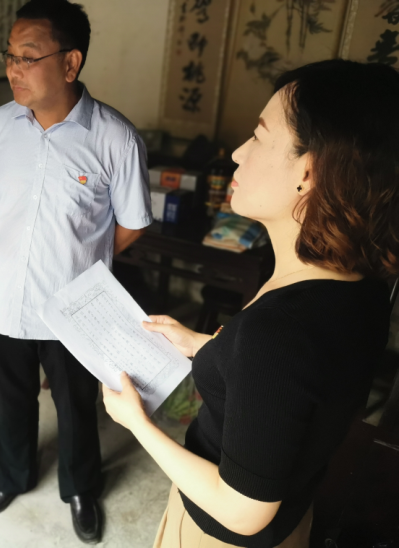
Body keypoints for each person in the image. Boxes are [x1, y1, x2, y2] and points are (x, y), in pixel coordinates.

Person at [102, 58, 399, 548]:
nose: (238, 153)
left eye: (259, 136)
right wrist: (205, 345)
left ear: (309, 171)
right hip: (293, 519)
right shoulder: (359, 286)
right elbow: (294, 389)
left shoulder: (280, 332)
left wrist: (136, 422)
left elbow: (243, 512)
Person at [0, 0, 152, 543]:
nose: (13, 69)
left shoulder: (115, 138)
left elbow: (131, 224)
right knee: (10, 398)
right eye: (9, 56)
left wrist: (78, 259)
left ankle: (80, 489)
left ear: (70, 63)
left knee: (75, 404)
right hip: (4, 298)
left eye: (28, 57)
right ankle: (12, 476)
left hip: (73, 307)